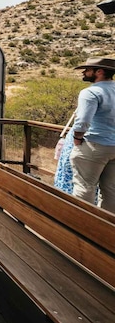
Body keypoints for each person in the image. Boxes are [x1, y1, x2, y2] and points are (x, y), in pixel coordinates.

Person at [69, 57, 115, 211]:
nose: (84, 72)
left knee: (85, 187)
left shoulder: (90, 92)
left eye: (88, 70)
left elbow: (82, 121)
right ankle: (106, 229)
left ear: (99, 72)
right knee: (110, 190)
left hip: (94, 145)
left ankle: (82, 228)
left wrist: (77, 138)